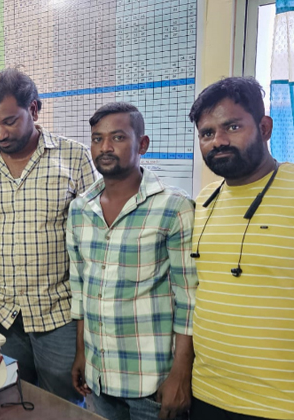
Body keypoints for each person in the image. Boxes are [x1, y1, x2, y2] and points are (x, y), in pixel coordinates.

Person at [0, 67, 97, 403]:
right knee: (8, 400)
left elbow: (92, 241)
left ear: (34, 109)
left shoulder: (74, 158)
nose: (0, 133)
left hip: (58, 315)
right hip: (0, 313)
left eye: (9, 121)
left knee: (61, 405)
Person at [67, 102, 197, 420]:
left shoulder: (174, 207)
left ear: (142, 144)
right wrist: (82, 354)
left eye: (118, 138)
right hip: (99, 376)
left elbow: (189, 299)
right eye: (97, 139)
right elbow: (81, 289)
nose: (105, 147)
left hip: (151, 382)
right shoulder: (80, 209)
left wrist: (181, 373)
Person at [188, 77, 294, 420]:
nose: (218, 141)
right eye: (207, 133)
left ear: (265, 127)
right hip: (207, 394)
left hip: (285, 404)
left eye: (232, 126)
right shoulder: (204, 202)